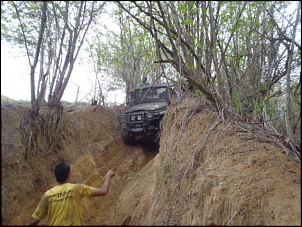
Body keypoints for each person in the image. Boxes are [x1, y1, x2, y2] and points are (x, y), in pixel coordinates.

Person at [29, 162, 115, 226]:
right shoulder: (76, 188)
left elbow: (35, 220)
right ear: (69, 176)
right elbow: (103, 191)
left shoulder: (47, 195)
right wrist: (108, 176)